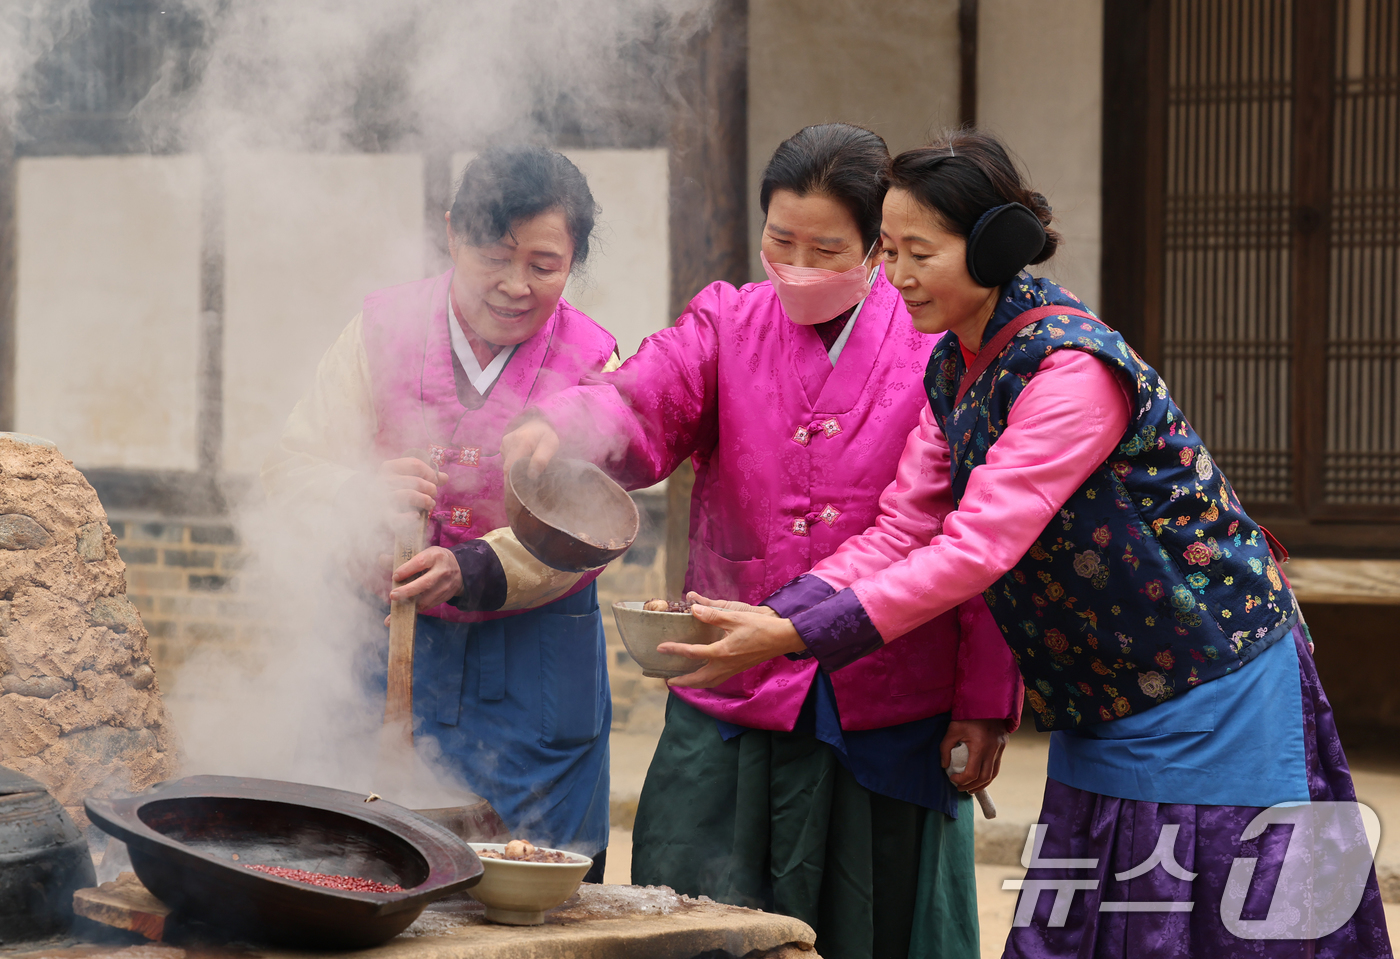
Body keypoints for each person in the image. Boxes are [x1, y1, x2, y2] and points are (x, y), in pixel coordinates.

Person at [661, 130, 1393, 957]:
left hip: (1210, 684)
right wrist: (779, 616)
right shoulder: (954, 369)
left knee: (1232, 924)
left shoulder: (1069, 372)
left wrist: (795, 635)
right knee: (1084, 925)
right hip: (1102, 692)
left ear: (992, 247)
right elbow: (905, 526)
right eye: (887, 250)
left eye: (919, 253)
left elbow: (975, 549)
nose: (895, 276)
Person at [502, 123, 1023, 959]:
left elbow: (981, 538)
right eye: (782, 241)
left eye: (829, 247)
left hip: (885, 692)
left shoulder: (935, 343)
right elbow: (641, 395)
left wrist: (986, 699)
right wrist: (561, 422)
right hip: (730, 678)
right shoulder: (727, 320)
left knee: (873, 923)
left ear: (876, 247)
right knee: (695, 917)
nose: (801, 267)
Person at [263, 146, 620, 880]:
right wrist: (356, 492)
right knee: (359, 873)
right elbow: (290, 469)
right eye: (495, 256)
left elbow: (596, 519)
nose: (516, 286)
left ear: (573, 259)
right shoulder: (379, 332)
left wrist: (476, 565)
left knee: (530, 890)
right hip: (381, 646)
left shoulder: (593, 365)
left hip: (534, 669)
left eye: (545, 265)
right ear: (453, 232)